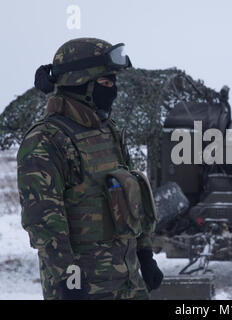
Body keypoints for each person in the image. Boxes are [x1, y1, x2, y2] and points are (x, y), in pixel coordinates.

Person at [17, 38, 163, 300]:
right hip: (83, 287)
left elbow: (132, 199)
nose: (114, 90)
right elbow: (43, 222)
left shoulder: (110, 131)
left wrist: (145, 254)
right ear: (79, 84)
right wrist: (68, 278)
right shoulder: (46, 140)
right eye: (106, 83)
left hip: (128, 281)